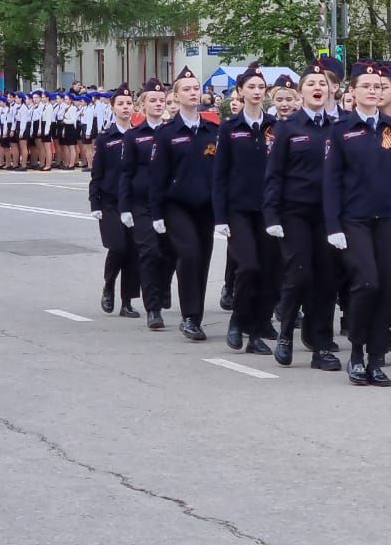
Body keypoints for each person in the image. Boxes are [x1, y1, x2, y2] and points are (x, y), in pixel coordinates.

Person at [323, 61, 391, 386]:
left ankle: (377, 359)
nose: (373, 91)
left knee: (388, 288)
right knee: (368, 283)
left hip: (389, 218)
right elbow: (331, 181)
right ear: (352, 92)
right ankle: (357, 351)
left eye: (378, 87)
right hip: (354, 219)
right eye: (366, 86)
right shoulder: (341, 129)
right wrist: (333, 225)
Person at [263, 60, 342, 371]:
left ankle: (321, 344)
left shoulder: (339, 127)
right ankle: (285, 334)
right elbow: (274, 174)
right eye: (310, 84)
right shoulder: (288, 128)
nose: (317, 88)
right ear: (300, 92)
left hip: (329, 214)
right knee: (300, 273)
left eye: (322, 83)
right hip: (294, 211)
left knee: (326, 278)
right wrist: (271, 215)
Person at [213, 64, 279, 356]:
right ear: (239, 91)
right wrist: (219, 216)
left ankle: (256, 331)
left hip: (268, 210)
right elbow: (220, 174)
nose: (256, 92)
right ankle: (237, 321)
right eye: (250, 87)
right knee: (249, 266)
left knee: (268, 272)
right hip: (238, 208)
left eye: (260, 88)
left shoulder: (276, 128)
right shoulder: (230, 128)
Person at [149, 67, 219, 340]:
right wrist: (156, 213)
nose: (192, 93)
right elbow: (157, 177)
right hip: (176, 205)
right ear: (175, 97)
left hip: (206, 207)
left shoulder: (212, 130)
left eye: (195, 88)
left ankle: (196, 318)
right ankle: (189, 315)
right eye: (186, 90)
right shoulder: (167, 133)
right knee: (189, 254)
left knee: (202, 260)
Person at [119, 79, 172, 330]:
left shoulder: (172, 132)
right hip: (142, 203)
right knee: (149, 252)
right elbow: (126, 173)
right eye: (152, 100)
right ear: (143, 105)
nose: (158, 104)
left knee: (169, 254)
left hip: (169, 202)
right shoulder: (134, 136)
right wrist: (124, 207)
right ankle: (153, 308)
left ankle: (163, 289)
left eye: (161, 100)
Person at [89, 84, 141, 318]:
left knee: (134, 251)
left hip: (134, 202)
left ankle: (127, 301)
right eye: (120, 104)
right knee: (118, 247)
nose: (125, 107)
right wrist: (95, 203)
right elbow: (97, 174)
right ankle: (109, 285)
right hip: (110, 202)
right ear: (112, 108)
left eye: (129, 103)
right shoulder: (105, 139)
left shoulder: (140, 136)